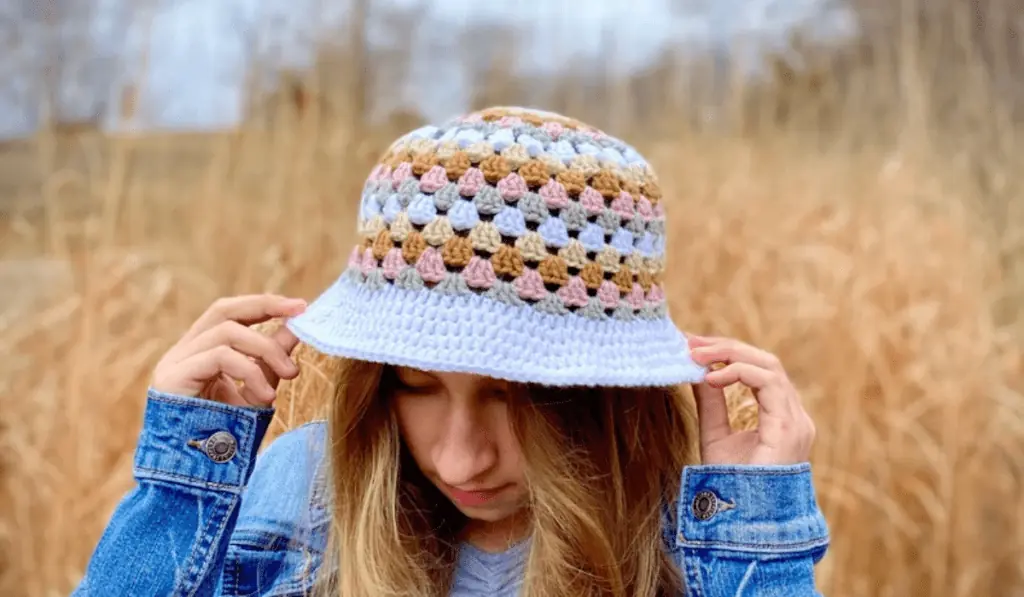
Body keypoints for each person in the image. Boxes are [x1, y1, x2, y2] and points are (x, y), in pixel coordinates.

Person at [72, 106, 829, 596]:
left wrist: (757, 537)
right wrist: (183, 484)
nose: (462, 461)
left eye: (517, 396)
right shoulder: (300, 496)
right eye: (415, 385)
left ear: (607, 395)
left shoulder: (694, 543)